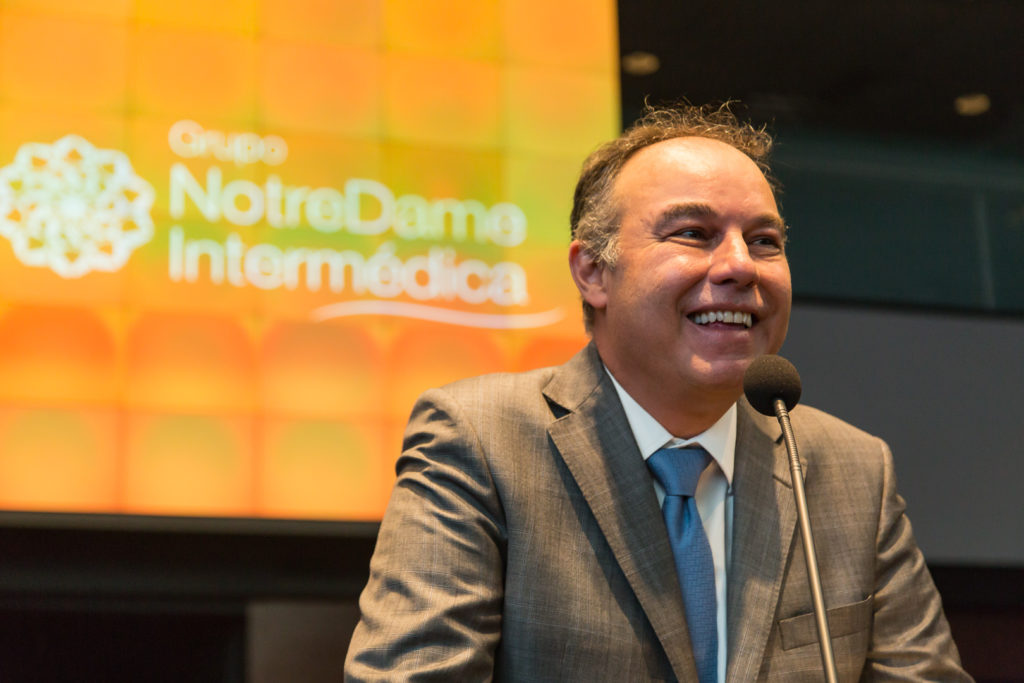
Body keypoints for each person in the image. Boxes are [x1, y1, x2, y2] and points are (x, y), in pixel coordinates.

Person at [344, 104, 971, 682]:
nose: (740, 265)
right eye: (694, 233)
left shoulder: (853, 471)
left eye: (764, 241)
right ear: (593, 271)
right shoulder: (481, 439)